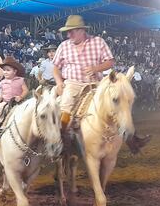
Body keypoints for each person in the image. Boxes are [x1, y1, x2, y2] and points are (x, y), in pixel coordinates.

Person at [52, 15, 150, 152]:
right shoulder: (64, 46)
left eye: (71, 31)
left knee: (118, 105)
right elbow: (55, 67)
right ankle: (62, 141)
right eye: (67, 32)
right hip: (73, 83)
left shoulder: (98, 42)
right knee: (65, 108)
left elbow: (110, 61)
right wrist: (58, 82)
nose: (68, 34)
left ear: (81, 30)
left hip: (95, 84)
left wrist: (95, 68)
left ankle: (132, 139)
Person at [0, 57, 28, 142]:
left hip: (18, 102)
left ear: (15, 71)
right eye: (4, 70)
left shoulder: (20, 80)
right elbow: (1, 94)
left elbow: (26, 90)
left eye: (8, 70)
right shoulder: (2, 82)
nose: (5, 72)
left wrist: (21, 97)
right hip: (6, 102)